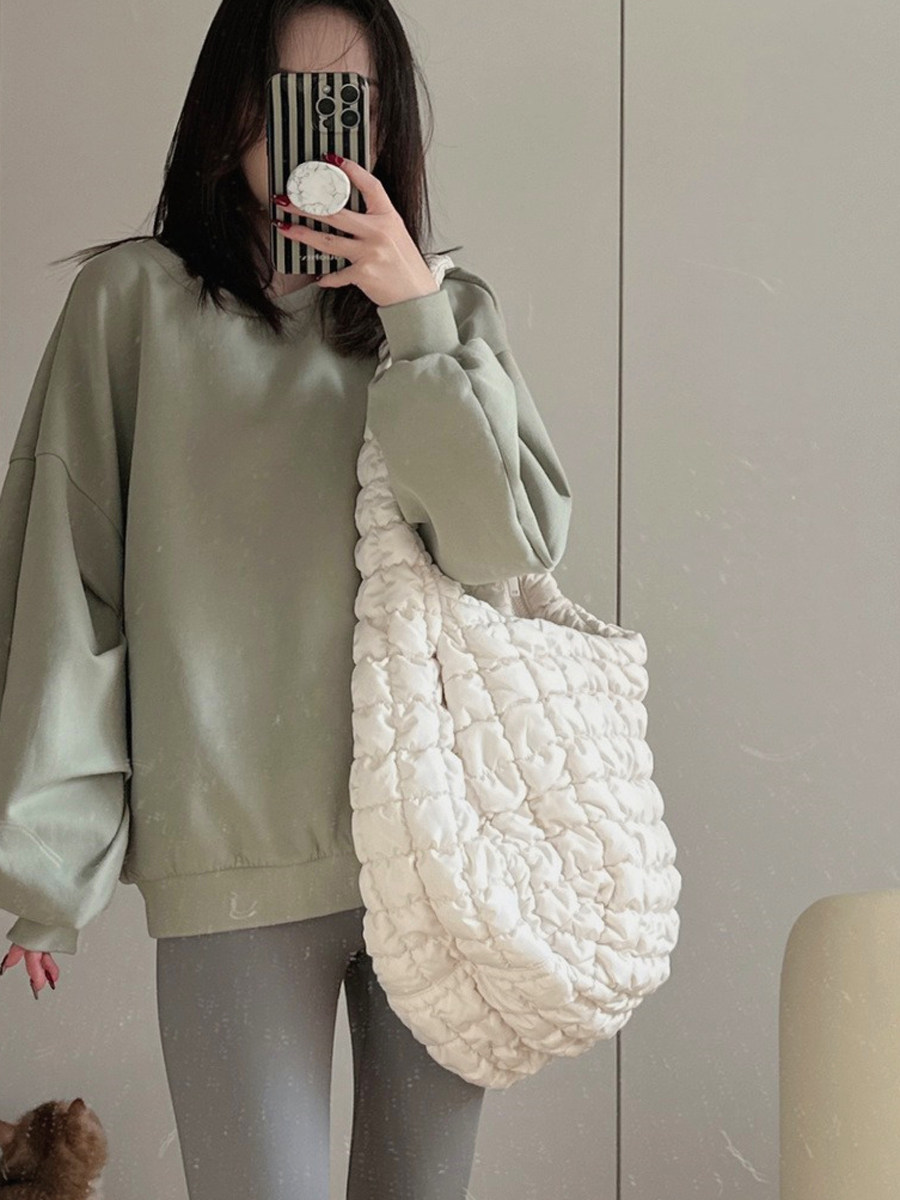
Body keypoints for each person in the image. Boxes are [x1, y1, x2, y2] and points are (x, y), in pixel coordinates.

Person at [0, 1, 573, 1196]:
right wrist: (45, 870)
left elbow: (498, 549)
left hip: (438, 858)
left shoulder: (451, 317)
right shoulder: (133, 306)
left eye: (346, 102)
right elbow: (67, 586)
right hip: (235, 861)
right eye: (283, 99)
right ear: (227, 114)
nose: (313, 136)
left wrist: (415, 315)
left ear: (387, 123)